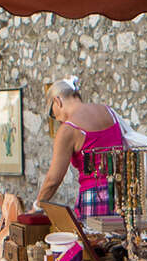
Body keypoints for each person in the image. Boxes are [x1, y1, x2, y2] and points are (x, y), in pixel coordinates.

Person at [34, 77, 123, 219]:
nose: (56, 119)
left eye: (52, 113)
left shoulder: (68, 130)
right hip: (122, 194)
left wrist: (37, 206)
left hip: (95, 198)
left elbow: (53, 180)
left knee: (95, 240)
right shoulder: (108, 112)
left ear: (57, 101)